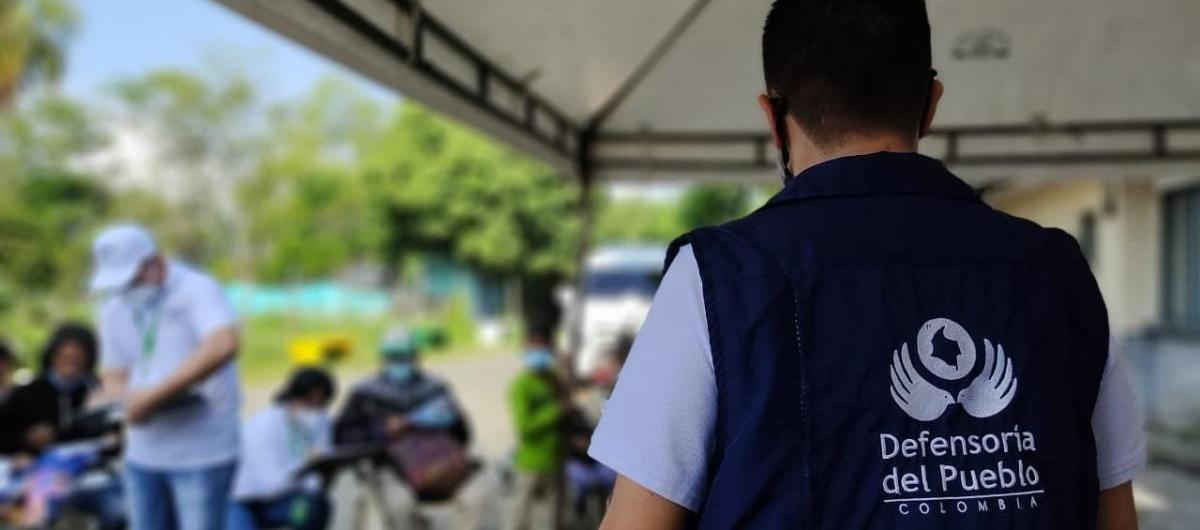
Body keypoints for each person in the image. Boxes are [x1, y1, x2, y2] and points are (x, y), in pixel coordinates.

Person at [589, 1, 1144, 529]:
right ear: (930, 104)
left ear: (772, 117)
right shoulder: (1060, 275)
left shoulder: (716, 278)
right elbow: (1115, 517)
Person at [91, 224, 242, 530]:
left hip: (202, 453)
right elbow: (113, 374)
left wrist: (154, 396)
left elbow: (224, 343)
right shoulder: (114, 306)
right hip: (143, 454)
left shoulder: (196, 289)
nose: (128, 288)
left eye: (133, 278)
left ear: (156, 262)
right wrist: (125, 403)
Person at [330, 327, 484, 529]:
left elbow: (463, 434)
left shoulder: (435, 388)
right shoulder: (365, 393)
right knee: (400, 506)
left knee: (478, 497)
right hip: (391, 469)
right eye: (394, 357)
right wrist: (382, 430)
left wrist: (436, 426)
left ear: (417, 356)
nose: (400, 362)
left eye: (405, 356)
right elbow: (343, 435)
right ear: (383, 359)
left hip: (438, 466)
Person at [227, 368, 335, 530]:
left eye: (320, 404)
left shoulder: (320, 420)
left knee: (312, 507)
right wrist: (306, 464)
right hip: (243, 500)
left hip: (283, 501)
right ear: (295, 396)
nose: (315, 409)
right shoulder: (266, 423)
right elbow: (269, 482)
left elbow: (314, 483)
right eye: (309, 401)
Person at [0, 324, 98, 455]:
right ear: (52, 355)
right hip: (35, 468)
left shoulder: (96, 392)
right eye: (65, 357)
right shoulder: (25, 394)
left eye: (77, 358)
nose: (70, 364)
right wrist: (26, 441)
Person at [505, 330, 567, 530]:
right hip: (530, 462)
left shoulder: (553, 378)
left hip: (555, 459)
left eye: (543, 350)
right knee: (520, 518)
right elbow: (525, 427)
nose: (539, 355)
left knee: (551, 518)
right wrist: (555, 411)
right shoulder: (520, 386)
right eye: (534, 350)